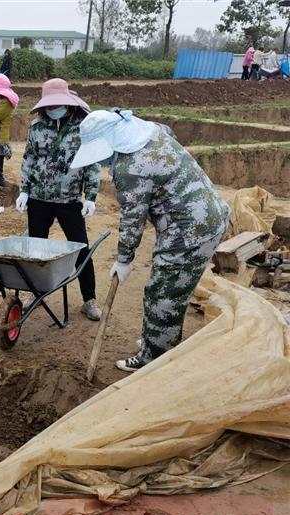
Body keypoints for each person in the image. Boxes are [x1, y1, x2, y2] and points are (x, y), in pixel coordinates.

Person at [71, 108, 230, 372]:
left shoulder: (130, 169)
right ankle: (158, 341)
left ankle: (154, 357)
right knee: (172, 289)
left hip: (190, 230)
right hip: (209, 212)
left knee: (163, 292)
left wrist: (124, 260)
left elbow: (133, 219)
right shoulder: (151, 130)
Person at [16, 78, 102, 321]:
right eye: (48, 106)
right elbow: (29, 159)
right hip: (39, 199)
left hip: (69, 200)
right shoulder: (37, 127)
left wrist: (91, 196)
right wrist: (24, 190)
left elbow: (91, 163)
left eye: (55, 105)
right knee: (36, 249)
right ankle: (35, 292)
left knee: (80, 248)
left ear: (66, 102)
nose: (51, 110)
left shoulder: (83, 128)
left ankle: (89, 299)